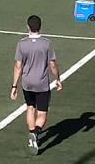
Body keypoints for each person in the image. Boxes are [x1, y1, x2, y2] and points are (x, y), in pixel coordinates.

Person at [11, 14, 62, 155]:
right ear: (40, 27)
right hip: (42, 84)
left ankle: (31, 134)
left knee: (30, 108)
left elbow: (18, 66)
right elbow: (52, 64)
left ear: (28, 27)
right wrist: (58, 78)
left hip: (27, 83)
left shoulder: (22, 44)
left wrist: (14, 86)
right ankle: (37, 133)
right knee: (42, 113)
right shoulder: (47, 43)